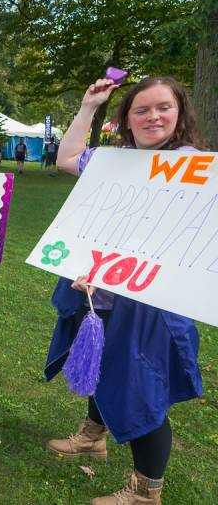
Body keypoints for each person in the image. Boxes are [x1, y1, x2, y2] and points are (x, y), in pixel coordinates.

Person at [44, 76, 206, 505]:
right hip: (98, 290)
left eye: (163, 108)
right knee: (97, 361)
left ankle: (145, 491)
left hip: (150, 306)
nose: (153, 116)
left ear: (179, 113)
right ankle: (92, 437)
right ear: (128, 119)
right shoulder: (114, 161)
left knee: (141, 388)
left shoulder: (194, 167)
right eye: (142, 109)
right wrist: (88, 106)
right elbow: (67, 158)